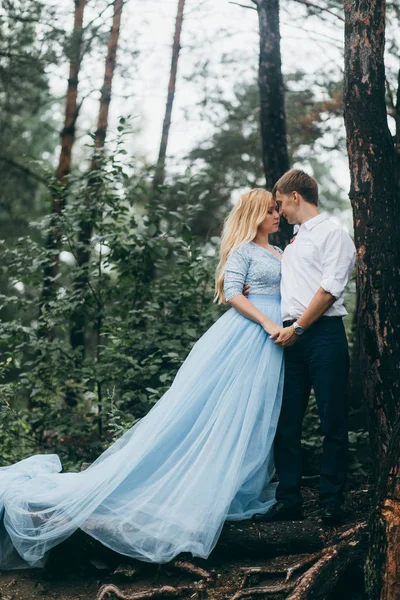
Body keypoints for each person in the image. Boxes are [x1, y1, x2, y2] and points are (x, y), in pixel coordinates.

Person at [0, 189, 285, 570]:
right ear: (253, 215)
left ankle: (239, 487)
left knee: (257, 413)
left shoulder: (280, 253)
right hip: (249, 334)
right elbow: (232, 293)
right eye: (269, 211)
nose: (276, 215)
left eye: (277, 209)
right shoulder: (244, 251)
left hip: (275, 341)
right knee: (226, 410)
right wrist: (267, 321)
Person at [252, 169, 356, 525]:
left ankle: (331, 501)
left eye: (279, 203)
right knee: (286, 421)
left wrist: (298, 327)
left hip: (323, 335)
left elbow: (329, 290)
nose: (278, 212)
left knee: (333, 420)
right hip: (289, 338)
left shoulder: (333, 233)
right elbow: (288, 286)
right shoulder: (293, 243)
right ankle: (289, 499)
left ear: (296, 196)